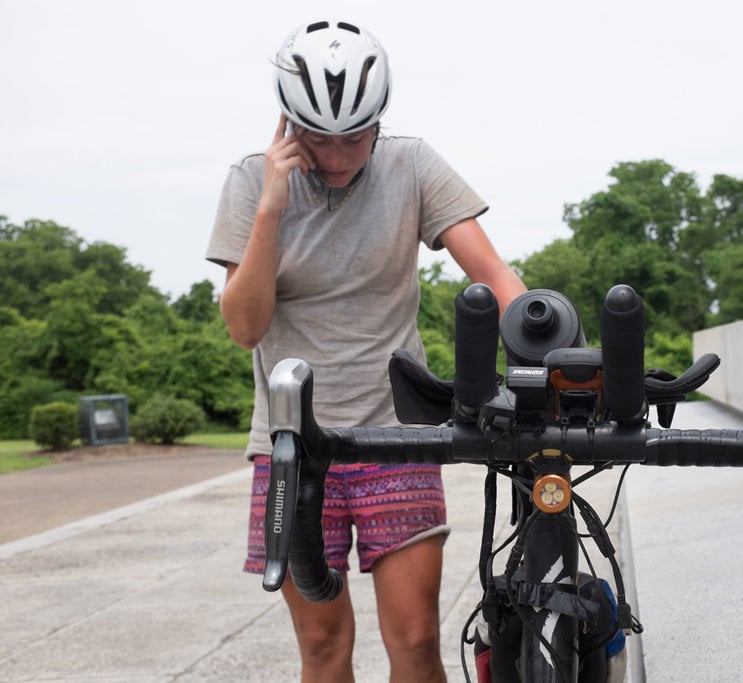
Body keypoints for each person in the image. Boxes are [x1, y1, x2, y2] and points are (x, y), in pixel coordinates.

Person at [206, 19, 526, 682]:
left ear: (380, 117)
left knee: (414, 639)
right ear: (288, 124)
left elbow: (492, 273)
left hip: (396, 438)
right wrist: (270, 208)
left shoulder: (411, 164)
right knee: (323, 645)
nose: (339, 151)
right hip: (292, 441)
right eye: (318, 136)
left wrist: (538, 344)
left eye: (355, 133)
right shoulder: (248, 180)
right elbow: (244, 326)